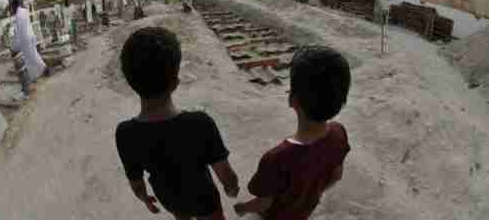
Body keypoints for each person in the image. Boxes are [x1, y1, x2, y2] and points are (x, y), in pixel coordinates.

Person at [116, 27, 239, 220]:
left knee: (180, 214)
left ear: (131, 83)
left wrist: (145, 199)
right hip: (204, 199)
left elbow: (136, 182)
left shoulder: (125, 133)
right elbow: (226, 173)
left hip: (169, 198)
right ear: (175, 82)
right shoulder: (199, 124)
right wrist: (232, 188)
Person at [234, 45, 351, 220]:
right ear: (342, 102)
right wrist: (314, 191)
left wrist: (242, 208)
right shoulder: (339, 133)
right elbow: (336, 176)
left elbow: (264, 202)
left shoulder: (276, 158)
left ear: (292, 100)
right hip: (305, 211)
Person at [10, 0, 49, 82]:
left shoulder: (18, 16)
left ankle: (44, 70)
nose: (11, 9)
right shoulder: (24, 11)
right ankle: (36, 75)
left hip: (26, 40)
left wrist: (15, 45)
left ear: (14, 6)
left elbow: (18, 31)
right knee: (32, 56)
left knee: (31, 58)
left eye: (11, 8)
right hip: (30, 36)